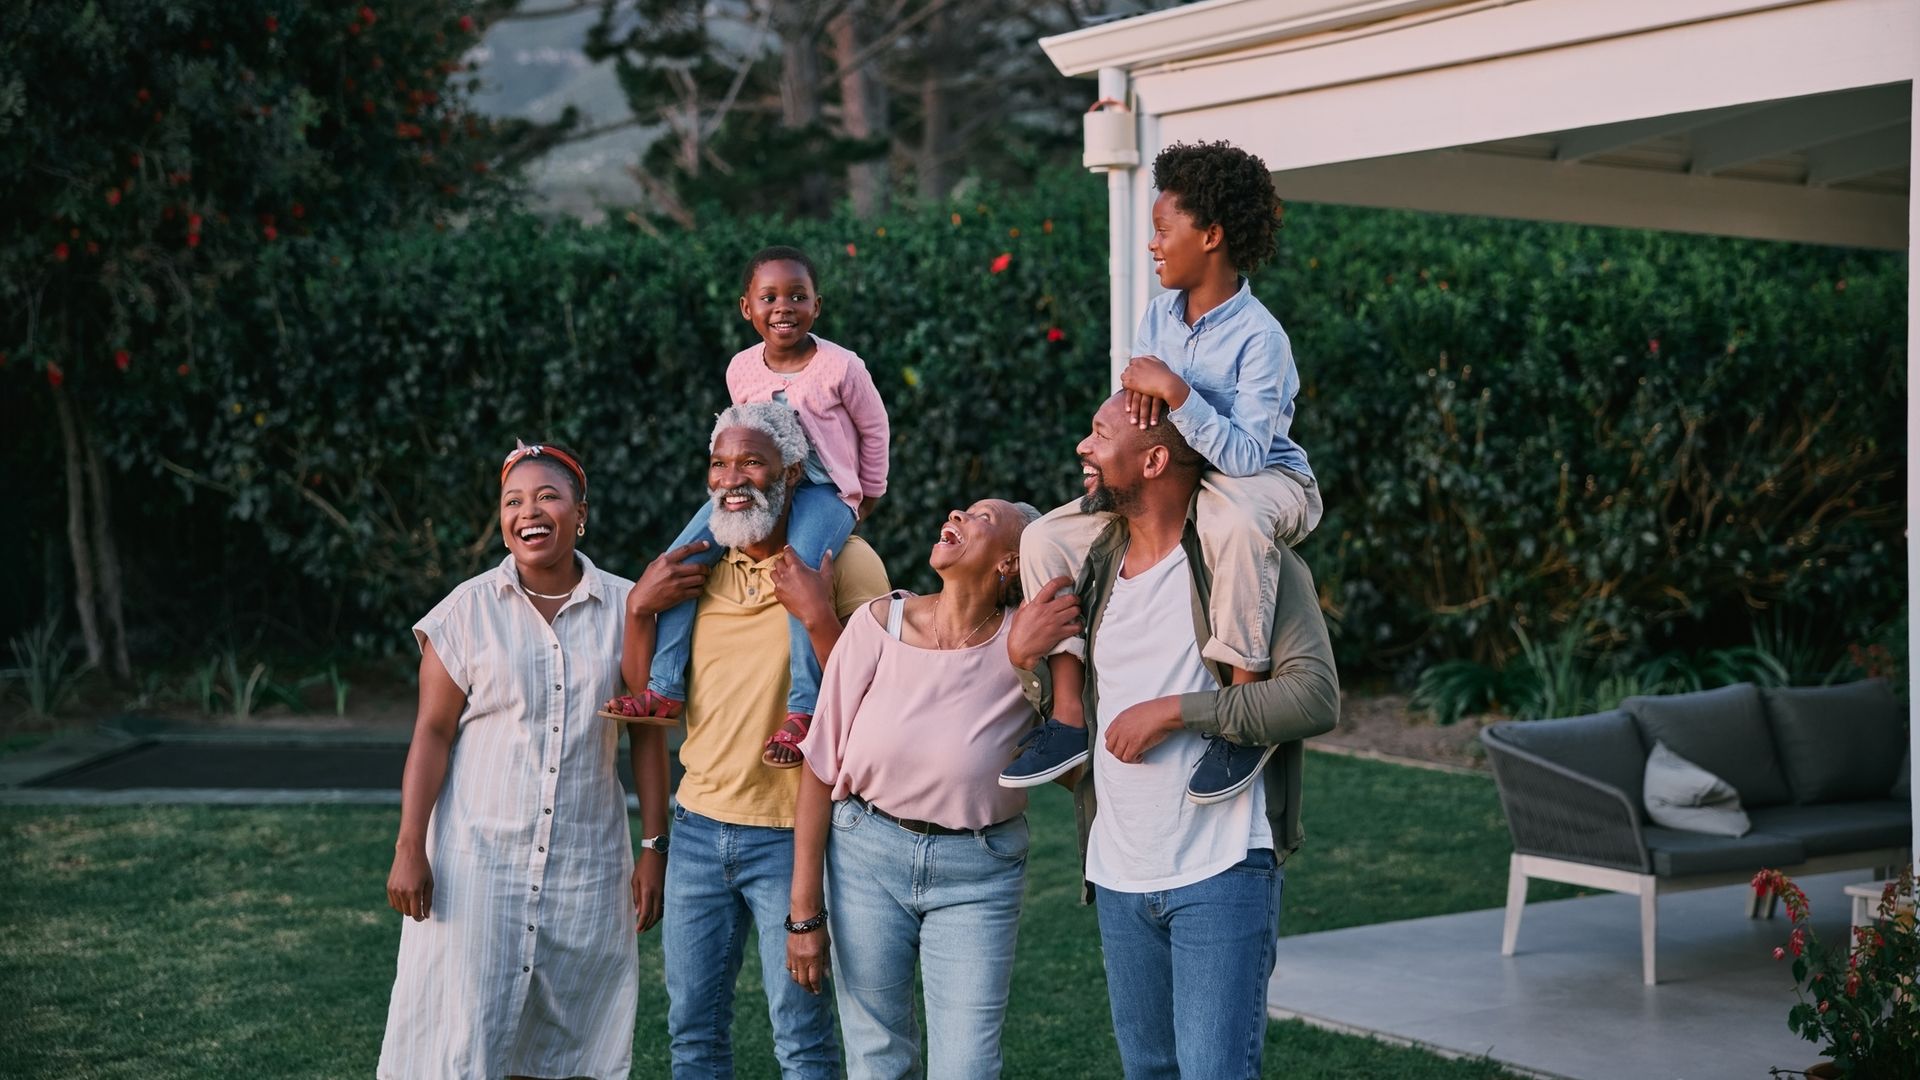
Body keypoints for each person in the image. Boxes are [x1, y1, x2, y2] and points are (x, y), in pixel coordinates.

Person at [1006, 392, 1339, 1080]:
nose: (1083, 449)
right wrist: (1023, 662)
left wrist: (1175, 712)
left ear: (1155, 459)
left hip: (1222, 868)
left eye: (1100, 434)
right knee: (1148, 1072)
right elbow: (1070, 746)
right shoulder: (1090, 573)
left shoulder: (1251, 564)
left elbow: (1314, 696)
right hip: (1119, 870)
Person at [1001, 141, 1324, 804]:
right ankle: (1067, 715)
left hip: (1262, 480)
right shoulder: (1157, 317)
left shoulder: (1261, 338)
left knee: (1234, 522)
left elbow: (1243, 457)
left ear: (1210, 236)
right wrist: (1111, 462)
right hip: (1178, 478)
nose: (1152, 245)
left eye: (1162, 230)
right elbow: (1138, 422)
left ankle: (1242, 718)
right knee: (1045, 538)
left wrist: (1178, 392)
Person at [379, 441, 671, 1080]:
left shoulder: (628, 609)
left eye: (547, 497)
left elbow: (647, 735)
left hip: (585, 866)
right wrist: (409, 845)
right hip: (476, 863)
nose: (528, 512)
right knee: (471, 1033)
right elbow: (431, 732)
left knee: (571, 1042)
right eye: (513, 501)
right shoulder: (466, 611)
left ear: (580, 513)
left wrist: (654, 846)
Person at [622, 402, 891, 1079]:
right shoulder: (699, 565)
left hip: (792, 837)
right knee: (693, 1036)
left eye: (751, 462)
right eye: (719, 462)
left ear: (792, 472)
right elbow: (647, 707)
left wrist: (817, 609)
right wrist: (638, 608)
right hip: (697, 831)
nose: (732, 477)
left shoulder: (848, 563)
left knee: (801, 1043)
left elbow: (884, 701)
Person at [607, 245, 891, 771]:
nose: (784, 306)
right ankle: (665, 688)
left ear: (817, 306)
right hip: (761, 485)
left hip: (826, 492)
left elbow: (874, 430)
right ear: (747, 308)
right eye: (769, 297)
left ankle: (803, 708)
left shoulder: (841, 367)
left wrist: (867, 495)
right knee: (679, 559)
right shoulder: (741, 368)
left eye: (797, 296)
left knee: (798, 572)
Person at [786, 499, 1043, 1080]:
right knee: (878, 1059)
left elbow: (1073, 755)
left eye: (980, 516)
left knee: (968, 1066)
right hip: (864, 858)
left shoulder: (1027, 644)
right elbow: (820, 765)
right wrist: (804, 914)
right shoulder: (876, 623)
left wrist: (1032, 661)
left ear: (1009, 562)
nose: (955, 513)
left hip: (980, 870)